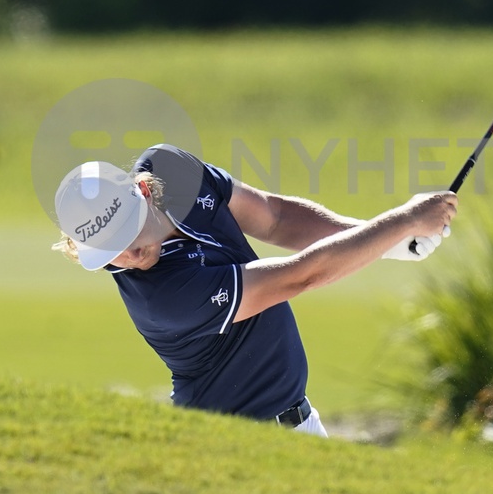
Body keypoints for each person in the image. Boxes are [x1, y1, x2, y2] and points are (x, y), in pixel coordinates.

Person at [52, 144, 457, 437]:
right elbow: (301, 276)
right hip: (232, 444)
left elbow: (275, 217)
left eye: (126, 231)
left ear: (143, 191)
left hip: (301, 423)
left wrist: (383, 240)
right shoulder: (163, 298)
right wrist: (401, 223)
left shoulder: (172, 170)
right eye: (108, 251)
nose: (127, 253)